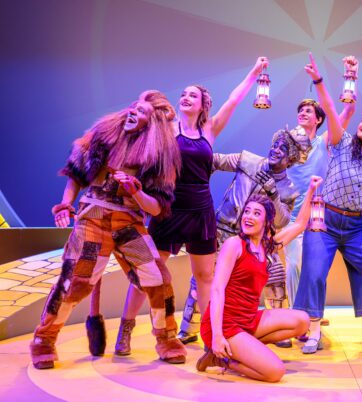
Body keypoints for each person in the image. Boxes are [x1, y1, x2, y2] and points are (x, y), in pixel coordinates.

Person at [91, 58, 270, 356]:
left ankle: (210, 338)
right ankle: (126, 329)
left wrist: (254, 72)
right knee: (147, 275)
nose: (185, 97)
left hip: (201, 210)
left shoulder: (209, 129)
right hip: (169, 209)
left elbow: (234, 100)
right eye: (183, 94)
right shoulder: (165, 129)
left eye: (193, 95)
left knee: (205, 277)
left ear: (202, 105)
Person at [31, 90, 186, 369]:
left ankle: (167, 338)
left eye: (142, 112)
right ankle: (44, 339)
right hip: (93, 218)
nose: (133, 112)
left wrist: (135, 191)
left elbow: (155, 208)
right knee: (76, 280)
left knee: (157, 278)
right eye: (133, 106)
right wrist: (66, 204)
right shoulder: (102, 135)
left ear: (151, 123)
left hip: (128, 224)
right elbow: (76, 174)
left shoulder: (160, 156)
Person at [293, 53, 362, 355]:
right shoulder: (342, 143)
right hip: (323, 221)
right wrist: (321, 80)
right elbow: (331, 108)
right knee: (313, 273)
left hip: (356, 227)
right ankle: (313, 333)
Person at [176, 125, 312, 344]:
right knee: (203, 279)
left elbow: (282, 221)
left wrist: (272, 192)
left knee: (275, 275)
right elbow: (213, 161)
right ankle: (190, 329)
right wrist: (196, 184)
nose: (276, 150)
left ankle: (274, 328)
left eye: (283, 149)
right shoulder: (247, 160)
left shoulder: (288, 188)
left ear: (291, 159)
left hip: (258, 241)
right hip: (222, 231)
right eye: (275, 145)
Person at [196, 176, 323, 382]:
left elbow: (300, 224)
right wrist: (217, 335)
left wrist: (311, 189)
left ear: (267, 221)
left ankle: (241, 350)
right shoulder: (234, 244)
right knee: (275, 372)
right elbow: (217, 290)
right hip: (225, 324)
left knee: (302, 321)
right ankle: (222, 359)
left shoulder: (267, 247)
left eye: (256, 213)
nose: (249, 216)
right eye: (247, 211)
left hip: (249, 319)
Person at [280, 57, 357, 347]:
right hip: (290, 214)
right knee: (293, 266)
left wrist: (351, 75)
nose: (302, 113)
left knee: (312, 269)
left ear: (319, 119)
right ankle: (296, 318)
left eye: (309, 110)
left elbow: (348, 110)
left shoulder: (325, 141)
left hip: (317, 216)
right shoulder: (286, 142)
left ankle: (309, 316)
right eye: (300, 110)